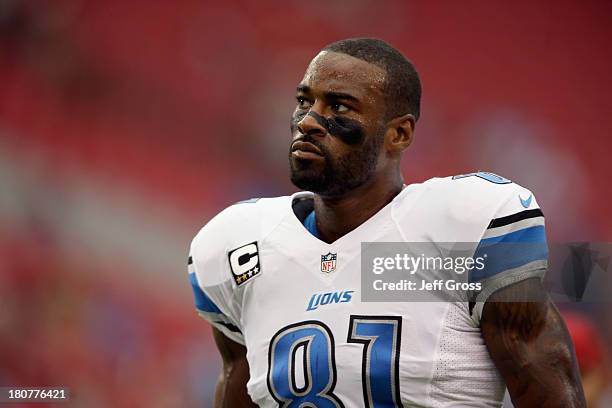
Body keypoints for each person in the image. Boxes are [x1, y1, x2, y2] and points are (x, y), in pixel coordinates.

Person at [188, 38, 585, 407]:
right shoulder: (237, 246)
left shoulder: (463, 224)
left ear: (399, 133)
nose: (309, 121)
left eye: (339, 107)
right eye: (304, 101)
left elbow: (546, 384)